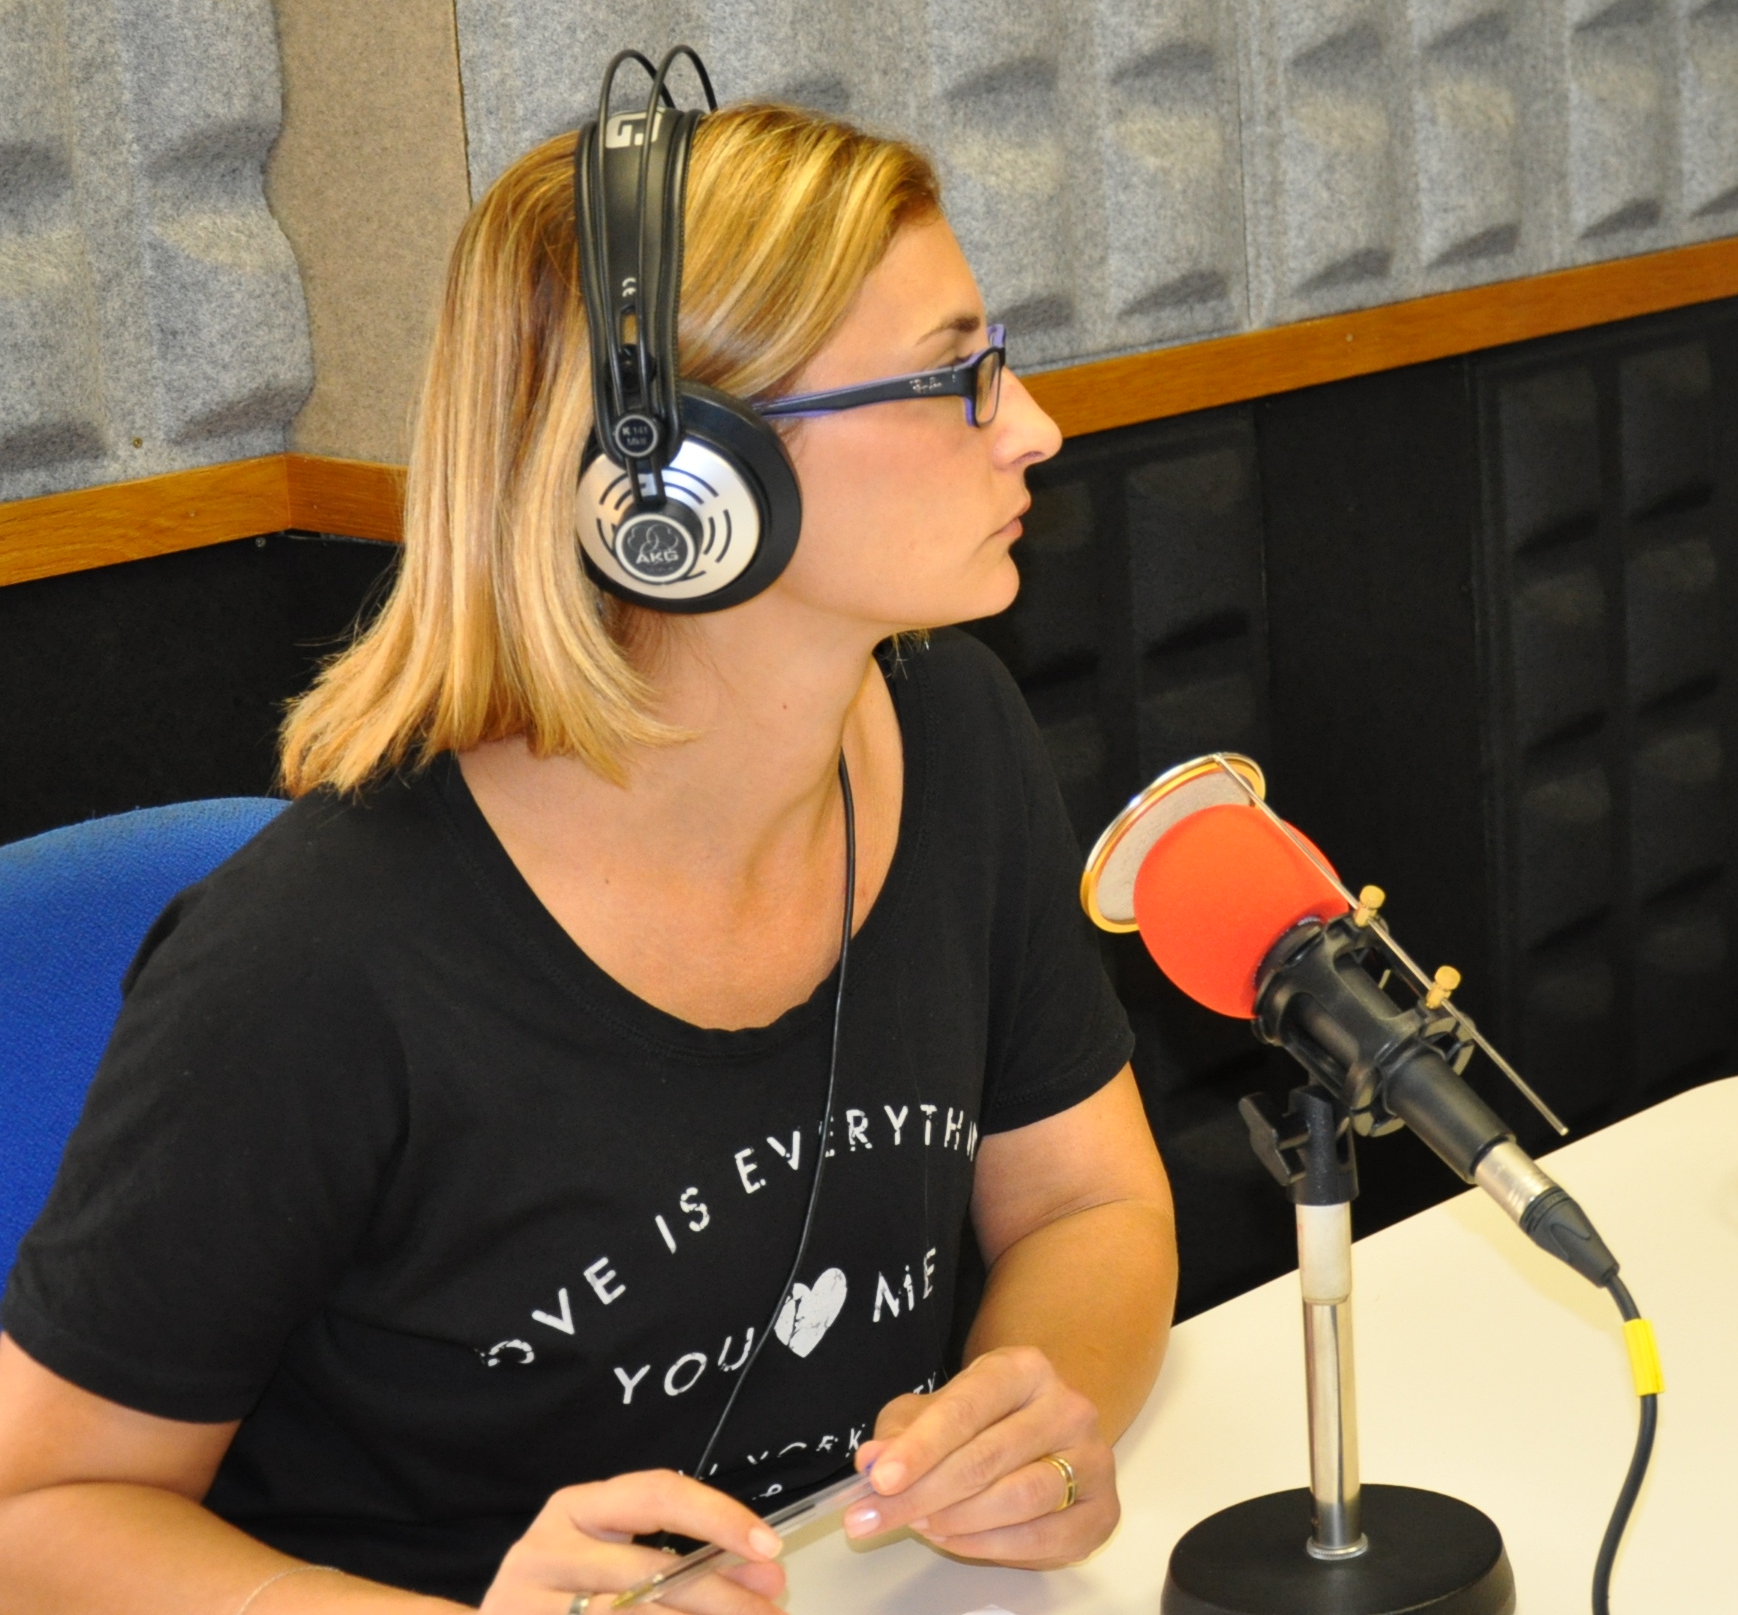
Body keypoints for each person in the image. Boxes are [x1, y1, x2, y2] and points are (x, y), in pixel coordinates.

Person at [0, 103, 1176, 1612]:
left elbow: (1089, 1206)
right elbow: (37, 1513)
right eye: (955, 377)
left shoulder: (955, 737)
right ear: (689, 485)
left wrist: (1041, 1410)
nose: (1032, 427)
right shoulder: (311, 963)